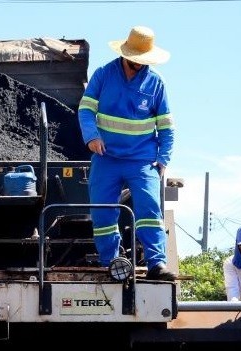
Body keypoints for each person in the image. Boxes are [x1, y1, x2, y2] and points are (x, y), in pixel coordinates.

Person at [77, 26, 176, 281]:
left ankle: (157, 263)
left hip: (141, 160)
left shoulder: (156, 83)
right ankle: (110, 261)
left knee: (149, 209)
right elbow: (86, 109)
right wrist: (92, 136)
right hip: (106, 158)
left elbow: (166, 126)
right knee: (102, 211)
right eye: (134, 60)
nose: (137, 65)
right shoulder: (103, 75)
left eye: (142, 61)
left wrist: (163, 158)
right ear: (125, 54)